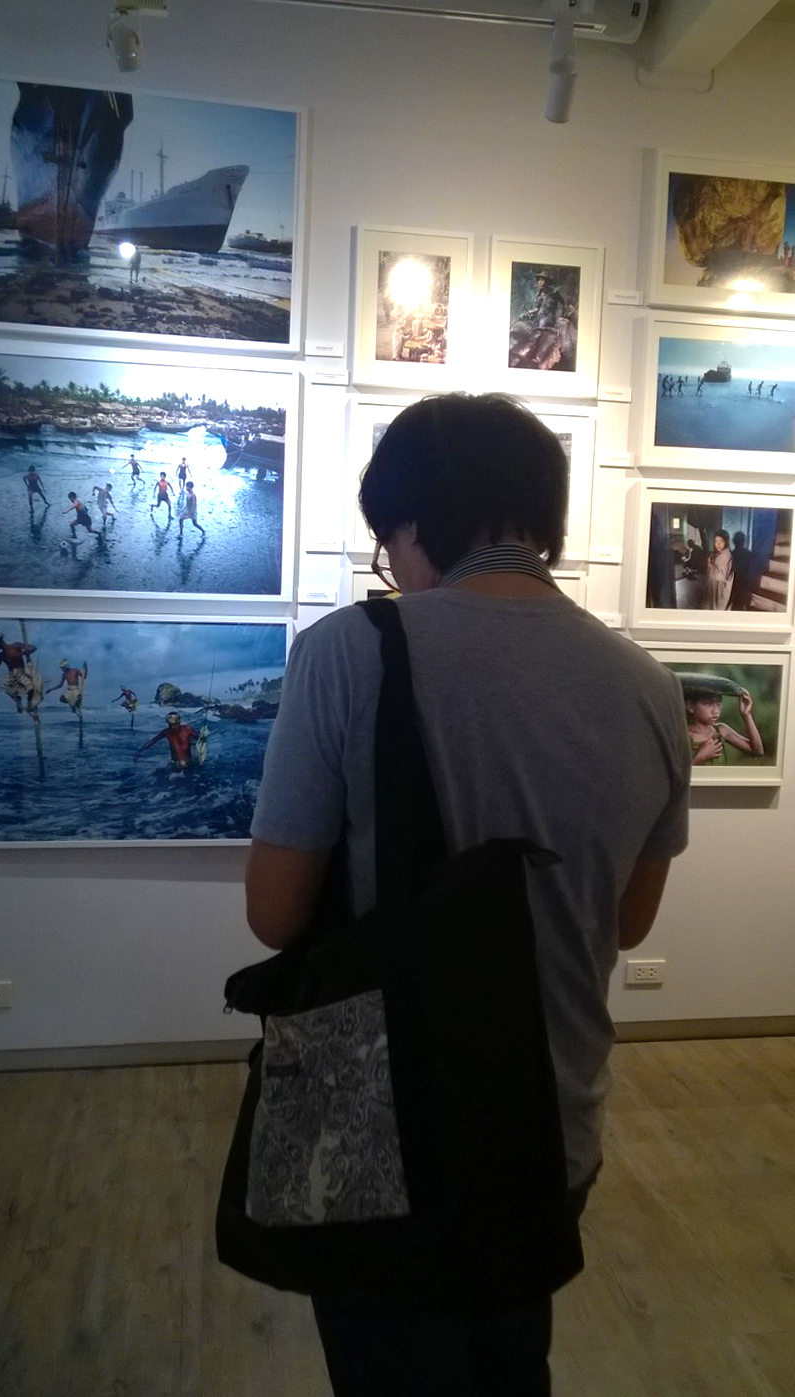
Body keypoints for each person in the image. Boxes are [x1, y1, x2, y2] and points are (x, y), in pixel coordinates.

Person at [243, 393, 691, 1396]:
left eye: (386, 542)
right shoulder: (650, 685)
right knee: (509, 1360)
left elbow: (274, 913)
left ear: (412, 520)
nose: (392, 568)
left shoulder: (348, 650)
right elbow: (628, 922)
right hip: (552, 1121)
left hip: (382, 1124)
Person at [682, 680, 764, 765]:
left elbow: (757, 751)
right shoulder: (684, 735)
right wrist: (701, 756)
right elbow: (678, 771)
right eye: (708, 704)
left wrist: (746, 714)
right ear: (690, 706)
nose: (715, 711)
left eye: (719, 704)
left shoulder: (721, 730)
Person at [133, 711, 198, 769]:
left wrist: (201, 740)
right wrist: (140, 751)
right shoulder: (166, 732)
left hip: (188, 762)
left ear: (179, 722)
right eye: (170, 725)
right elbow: (153, 741)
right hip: (175, 764)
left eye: (174, 725)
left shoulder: (188, 729)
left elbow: (198, 738)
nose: (172, 727)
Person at [705, 530, 734, 610]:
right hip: (715, 586)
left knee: (719, 607)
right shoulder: (719, 553)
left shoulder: (727, 555)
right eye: (716, 541)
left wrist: (711, 565)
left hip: (721, 587)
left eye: (721, 541)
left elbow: (723, 576)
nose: (718, 544)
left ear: (726, 542)